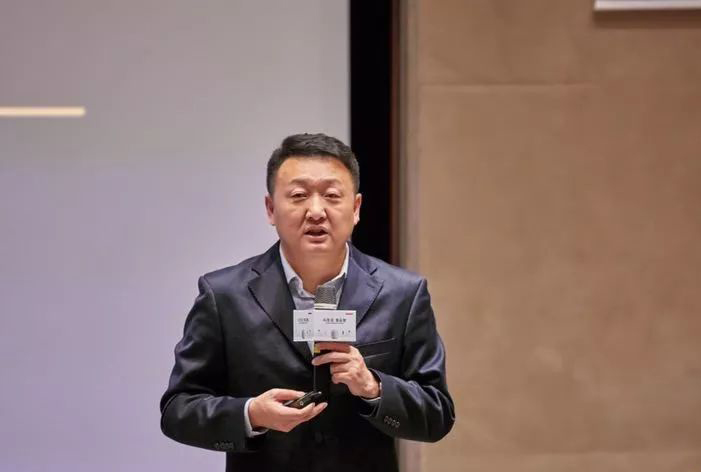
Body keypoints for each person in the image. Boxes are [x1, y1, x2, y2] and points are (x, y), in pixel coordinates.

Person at [160, 133, 454, 472]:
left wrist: (372, 387)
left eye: (332, 196)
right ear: (271, 209)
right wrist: (251, 414)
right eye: (298, 196)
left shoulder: (403, 293)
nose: (316, 211)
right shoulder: (225, 294)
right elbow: (178, 410)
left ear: (356, 208)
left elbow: (437, 414)